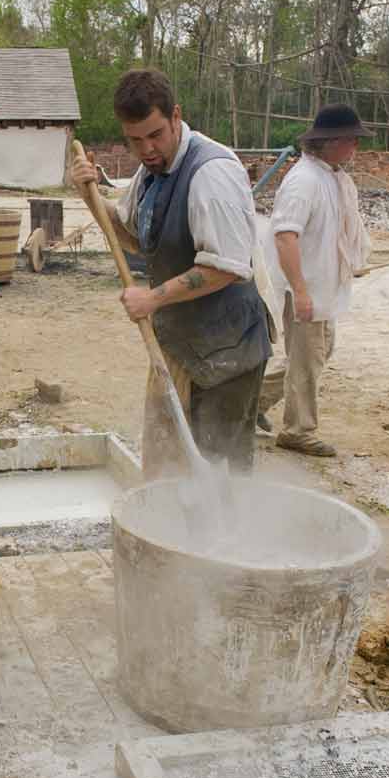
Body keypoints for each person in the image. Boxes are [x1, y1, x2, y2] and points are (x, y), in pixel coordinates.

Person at [70, 69, 272, 479]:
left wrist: (153, 298)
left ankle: (224, 542)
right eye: (135, 139)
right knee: (168, 468)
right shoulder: (151, 173)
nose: (146, 148)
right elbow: (133, 239)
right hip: (179, 345)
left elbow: (227, 268)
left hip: (225, 353)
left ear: (176, 115)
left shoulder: (212, 174)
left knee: (221, 476)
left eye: (156, 134)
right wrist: (90, 197)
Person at [258, 104, 373, 458]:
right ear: (330, 141)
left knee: (311, 356)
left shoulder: (330, 176)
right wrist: (301, 291)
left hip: (323, 287)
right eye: (350, 140)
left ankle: (248, 401)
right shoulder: (304, 180)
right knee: (307, 361)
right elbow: (284, 236)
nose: (355, 146)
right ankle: (298, 430)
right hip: (304, 289)